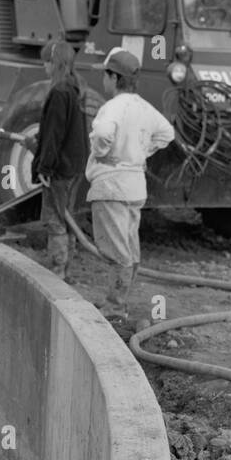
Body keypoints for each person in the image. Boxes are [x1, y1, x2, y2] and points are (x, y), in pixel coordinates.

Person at [86, 47, 175, 320]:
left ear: (114, 77)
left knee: (116, 251)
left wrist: (103, 152)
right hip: (135, 185)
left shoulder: (113, 107)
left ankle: (115, 307)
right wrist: (142, 151)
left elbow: (101, 133)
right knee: (129, 247)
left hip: (111, 185)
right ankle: (119, 303)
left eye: (106, 76)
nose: (104, 81)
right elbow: (167, 133)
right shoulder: (144, 108)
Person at [0, 40, 87, 281]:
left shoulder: (58, 93)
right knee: (67, 217)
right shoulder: (75, 90)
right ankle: (67, 269)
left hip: (59, 170)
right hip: (74, 167)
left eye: (46, 62)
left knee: (54, 219)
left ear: (55, 64)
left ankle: (57, 272)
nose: (44, 67)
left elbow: (53, 134)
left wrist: (45, 167)